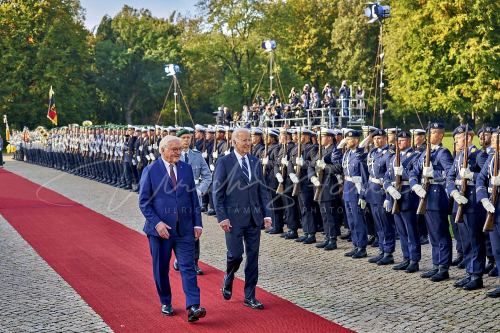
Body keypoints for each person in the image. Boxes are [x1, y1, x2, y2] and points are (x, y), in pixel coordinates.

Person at [138, 135, 206, 322]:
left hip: (184, 229)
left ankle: (193, 306)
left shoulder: (185, 169)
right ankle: (166, 301)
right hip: (160, 231)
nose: (178, 152)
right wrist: (157, 223)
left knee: (188, 267)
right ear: (162, 150)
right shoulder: (151, 170)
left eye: (179, 149)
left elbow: (193, 198)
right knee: (161, 268)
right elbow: (144, 202)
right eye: (174, 149)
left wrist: (197, 222)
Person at [213, 127, 272, 309]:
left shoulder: (255, 161)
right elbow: (217, 192)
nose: (248, 143)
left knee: (253, 258)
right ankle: (229, 277)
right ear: (234, 142)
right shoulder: (224, 162)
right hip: (233, 219)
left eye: (249, 140)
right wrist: (222, 217)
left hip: (254, 218)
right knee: (236, 255)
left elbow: (262, 190)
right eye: (244, 140)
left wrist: (267, 214)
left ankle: (250, 296)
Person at [172, 128, 212, 275]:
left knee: (195, 230)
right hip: (177, 200)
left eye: (189, 138)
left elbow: (207, 176)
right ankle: (179, 259)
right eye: (184, 138)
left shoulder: (197, 156)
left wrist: (200, 190)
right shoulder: (173, 155)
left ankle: (194, 263)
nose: (187, 140)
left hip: (194, 199)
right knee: (178, 230)